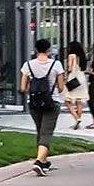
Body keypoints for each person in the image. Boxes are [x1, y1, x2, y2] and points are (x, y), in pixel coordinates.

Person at [20, 38, 66, 176]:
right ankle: (39, 162)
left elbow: (23, 88)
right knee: (46, 133)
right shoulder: (56, 64)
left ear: (35, 49)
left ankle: (44, 162)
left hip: (34, 103)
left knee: (40, 131)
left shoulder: (28, 65)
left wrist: (35, 92)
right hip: (52, 102)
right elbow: (61, 87)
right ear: (49, 50)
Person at [63, 41, 90, 129]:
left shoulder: (71, 56)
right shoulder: (82, 57)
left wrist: (66, 73)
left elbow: (70, 69)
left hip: (73, 79)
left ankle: (77, 118)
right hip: (82, 79)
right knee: (79, 101)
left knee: (67, 101)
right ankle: (77, 121)